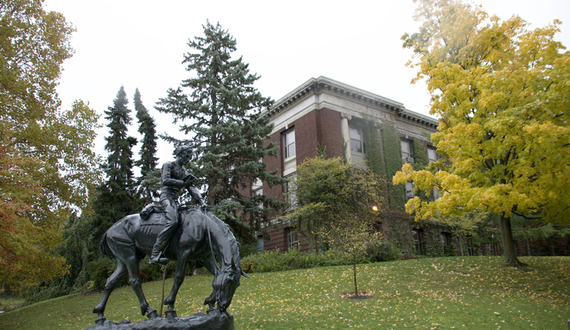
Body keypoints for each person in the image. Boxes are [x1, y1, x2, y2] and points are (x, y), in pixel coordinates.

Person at [149, 145, 208, 265]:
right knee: (173, 221)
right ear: (179, 154)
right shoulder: (168, 165)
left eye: (190, 157)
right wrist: (182, 183)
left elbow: (191, 188)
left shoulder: (183, 171)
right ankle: (155, 254)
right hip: (166, 198)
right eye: (187, 156)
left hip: (175, 200)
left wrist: (201, 201)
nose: (188, 159)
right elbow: (165, 180)